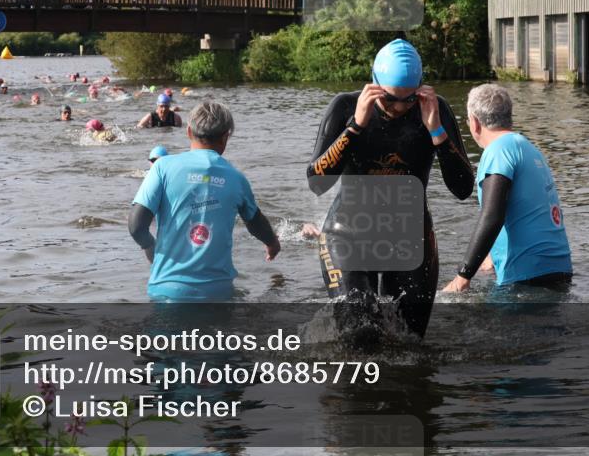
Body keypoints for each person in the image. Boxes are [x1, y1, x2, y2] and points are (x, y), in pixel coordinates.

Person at [307, 39, 474, 337]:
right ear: (373, 85)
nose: (399, 107)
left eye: (408, 100)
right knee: (358, 333)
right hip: (348, 233)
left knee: (410, 344)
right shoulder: (345, 106)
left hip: (410, 236)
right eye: (389, 99)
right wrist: (355, 127)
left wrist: (436, 131)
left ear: (420, 88)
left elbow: (463, 188)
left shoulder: (435, 109)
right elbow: (317, 181)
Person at [128, 100, 280, 301]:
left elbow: (136, 226)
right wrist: (272, 243)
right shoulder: (237, 178)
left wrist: (150, 248)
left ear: (189, 132)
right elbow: (255, 222)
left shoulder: (162, 168)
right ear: (226, 137)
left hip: (167, 291)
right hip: (217, 294)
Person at [442, 85, 572, 294]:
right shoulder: (528, 147)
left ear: (474, 122)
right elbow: (526, 208)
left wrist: (463, 275)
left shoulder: (498, 151)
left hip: (526, 278)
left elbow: (492, 216)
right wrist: (492, 254)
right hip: (559, 270)